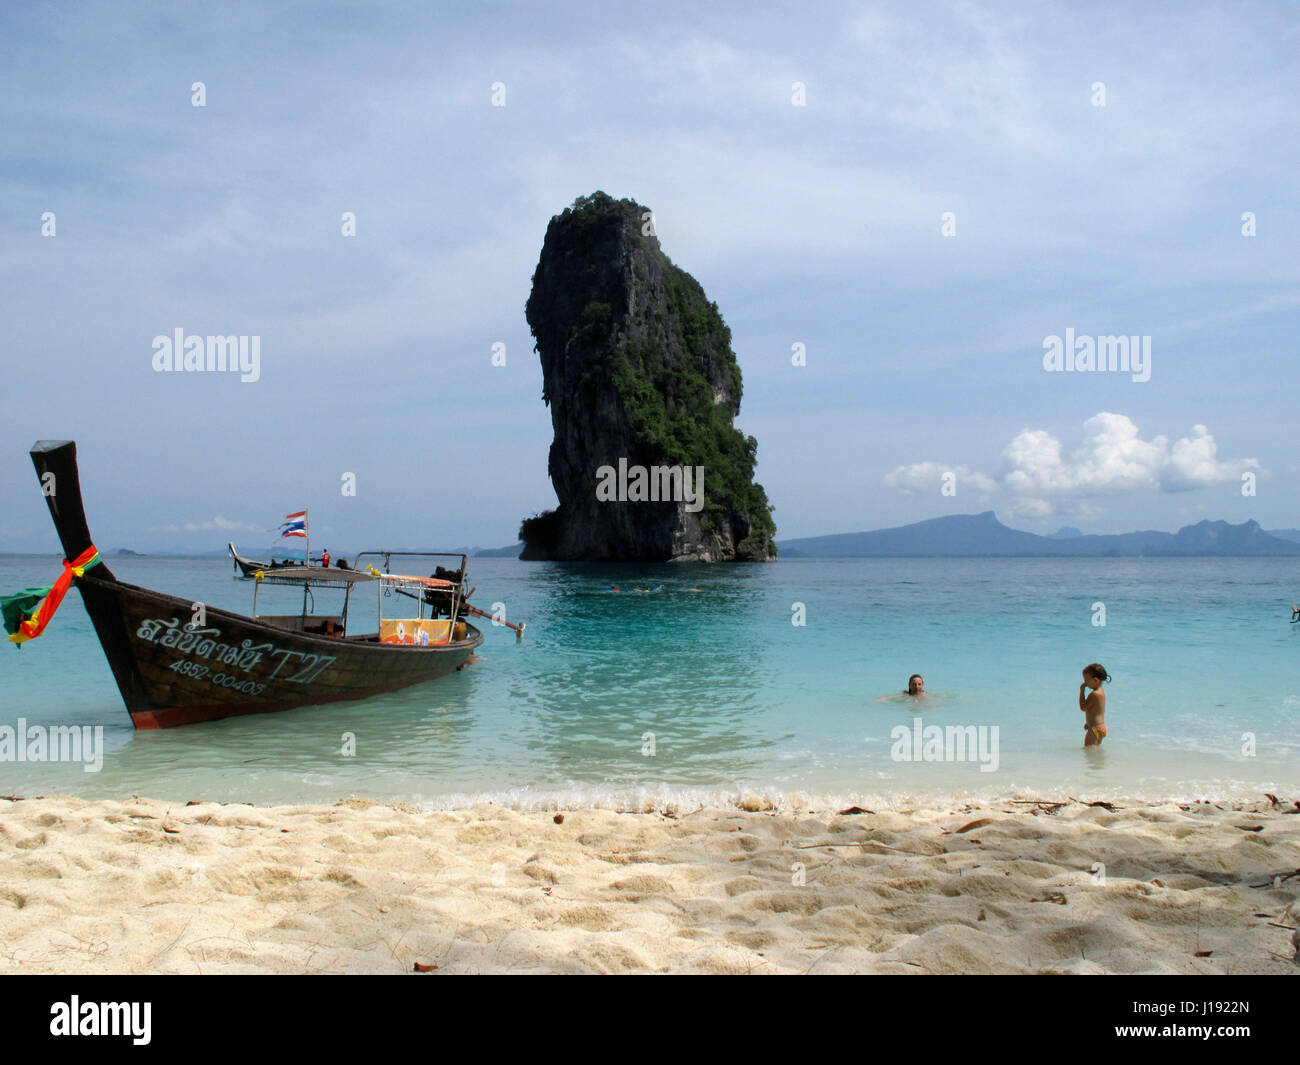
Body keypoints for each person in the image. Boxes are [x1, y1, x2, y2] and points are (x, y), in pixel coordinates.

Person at [1080, 663, 1111, 746]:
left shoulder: (1094, 694)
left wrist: (1082, 690)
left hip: (1094, 729)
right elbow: (1096, 710)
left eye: (1086, 680)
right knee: (1095, 753)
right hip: (1101, 727)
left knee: (1088, 751)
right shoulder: (1101, 692)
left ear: (1096, 680)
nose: (1085, 683)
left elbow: (1083, 707)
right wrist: (1089, 723)